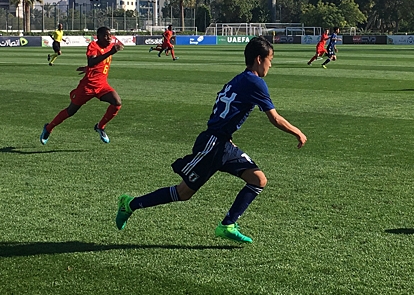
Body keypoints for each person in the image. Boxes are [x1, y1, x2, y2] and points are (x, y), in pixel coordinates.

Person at [115, 36, 307, 244]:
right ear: (259, 59)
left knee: (258, 180)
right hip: (213, 144)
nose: (271, 65)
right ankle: (130, 204)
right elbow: (274, 118)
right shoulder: (255, 82)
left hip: (223, 143)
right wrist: (297, 132)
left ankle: (228, 224)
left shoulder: (239, 79)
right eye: (270, 60)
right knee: (183, 192)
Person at [40, 27, 124, 145]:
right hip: (87, 87)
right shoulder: (93, 46)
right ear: (98, 37)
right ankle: (48, 128)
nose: (109, 38)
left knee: (117, 102)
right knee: (71, 111)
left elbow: (96, 64)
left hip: (102, 85)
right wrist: (109, 54)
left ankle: (100, 126)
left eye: (110, 35)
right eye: (106, 36)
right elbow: (92, 61)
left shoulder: (110, 46)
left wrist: (88, 68)